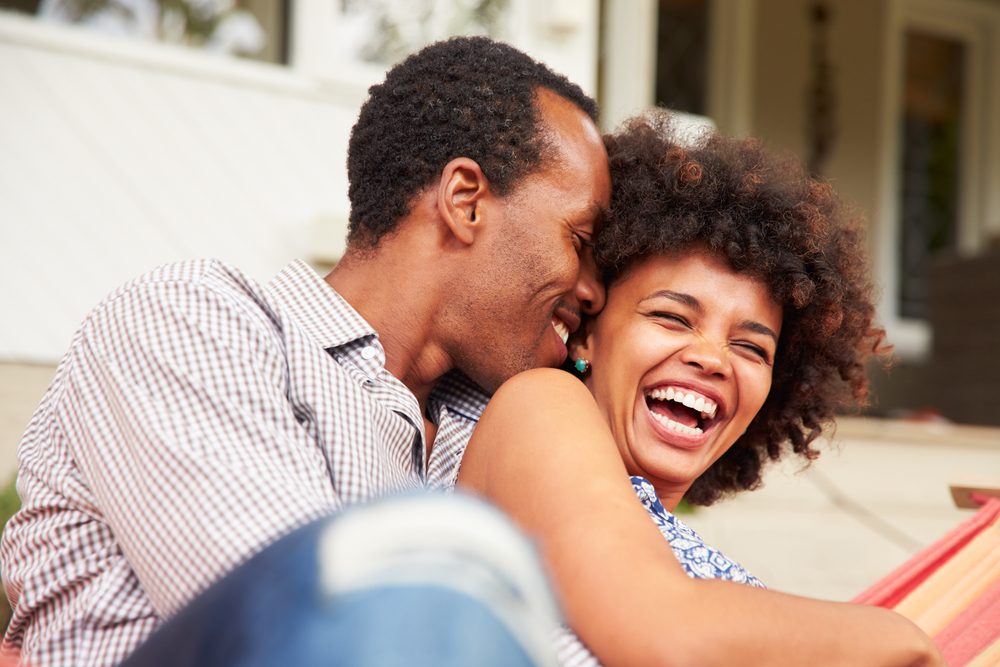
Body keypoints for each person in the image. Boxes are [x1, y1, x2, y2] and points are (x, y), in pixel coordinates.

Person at [0, 36, 609, 666]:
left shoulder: (490, 426)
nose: (592, 290)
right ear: (465, 201)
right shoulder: (194, 319)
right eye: (581, 239)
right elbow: (306, 628)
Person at [457, 111, 945, 666]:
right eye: (672, 317)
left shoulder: (696, 571)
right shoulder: (539, 404)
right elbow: (666, 634)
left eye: (751, 348)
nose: (712, 358)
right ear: (588, 334)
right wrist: (903, 639)